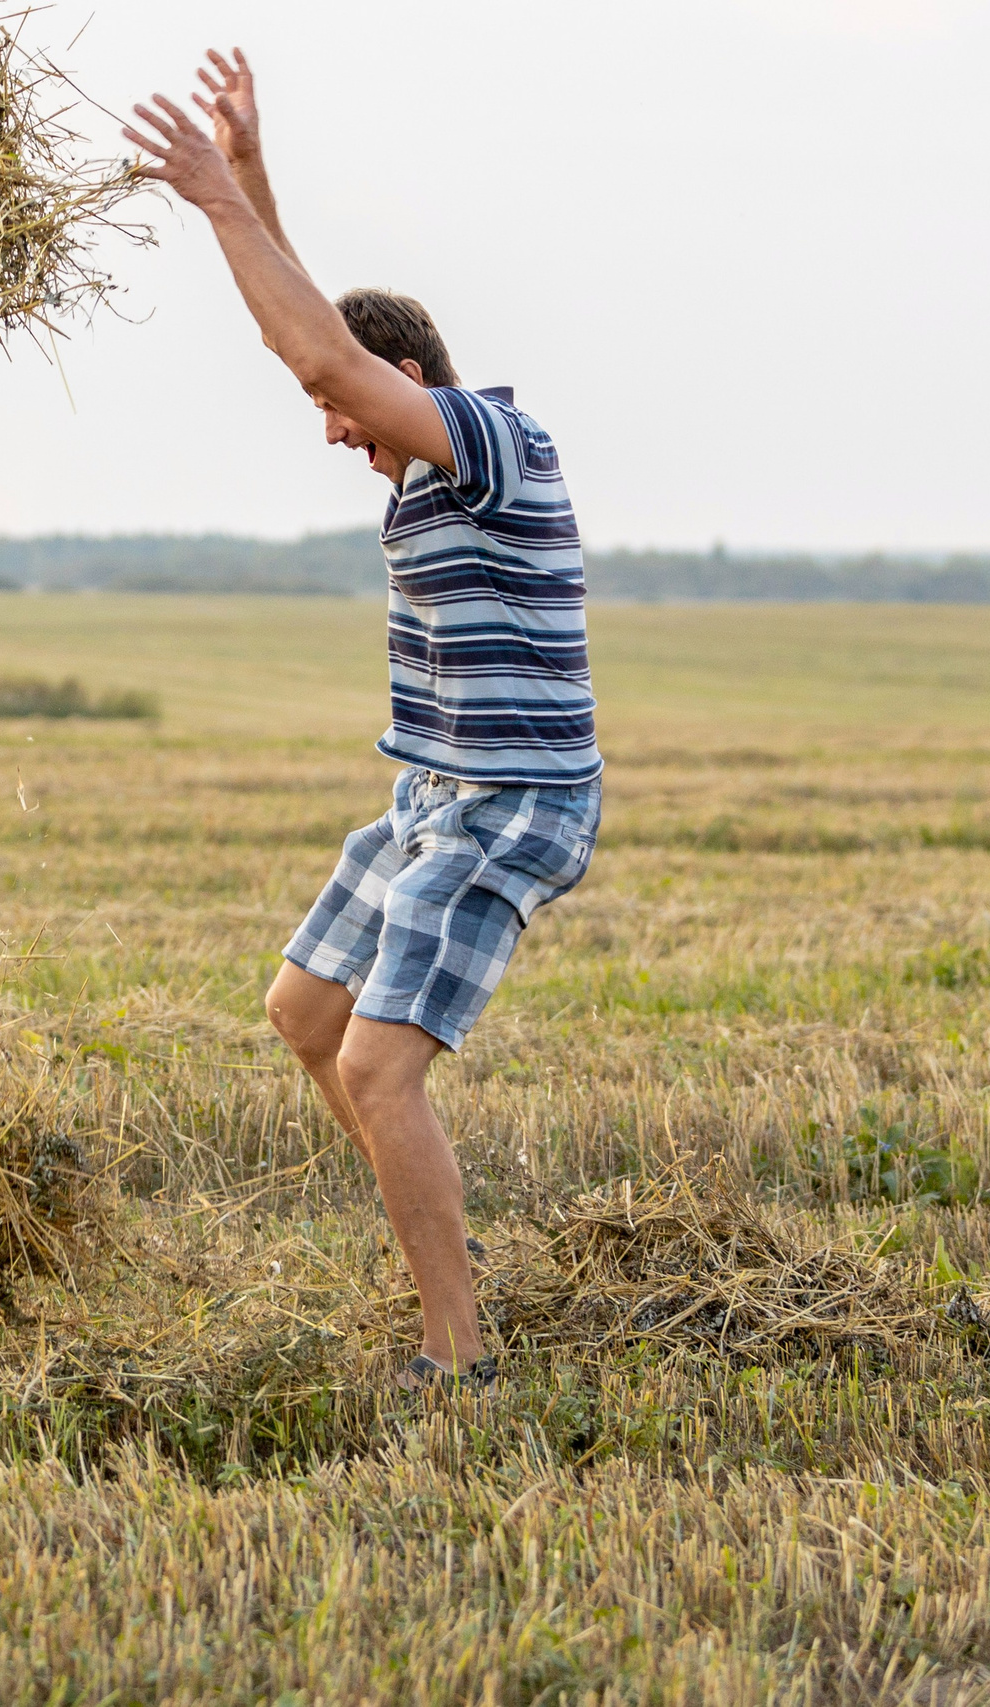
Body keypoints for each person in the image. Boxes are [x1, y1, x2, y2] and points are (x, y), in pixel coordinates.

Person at [124, 52, 603, 1391]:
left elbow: (320, 348)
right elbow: (316, 333)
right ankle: (435, 1235)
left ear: (405, 378)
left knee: (382, 1070)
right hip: (433, 794)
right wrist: (255, 178)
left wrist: (218, 198)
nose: (330, 427)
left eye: (342, 405)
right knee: (303, 1011)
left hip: (517, 801)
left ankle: (459, 1351)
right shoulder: (423, 462)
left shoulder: (491, 444)